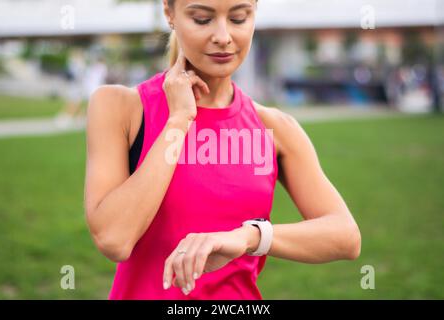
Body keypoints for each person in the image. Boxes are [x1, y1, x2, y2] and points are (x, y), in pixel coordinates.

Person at [84, 0, 361, 300]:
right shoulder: (120, 107)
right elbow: (114, 238)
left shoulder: (276, 128)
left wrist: (250, 237)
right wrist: (178, 121)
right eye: (202, 19)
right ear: (169, 12)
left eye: (239, 18)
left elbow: (345, 235)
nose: (223, 36)